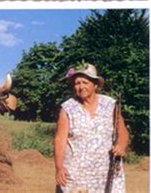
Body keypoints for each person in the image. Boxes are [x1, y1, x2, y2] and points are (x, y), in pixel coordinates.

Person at [54, 63, 129, 193]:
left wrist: (122, 145)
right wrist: (59, 167)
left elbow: (122, 132)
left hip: (107, 173)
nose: (81, 87)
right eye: (77, 83)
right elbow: (60, 139)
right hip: (77, 174)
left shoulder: (110, 105)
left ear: (95, 85)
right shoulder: (67, 108)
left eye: (85, 82)